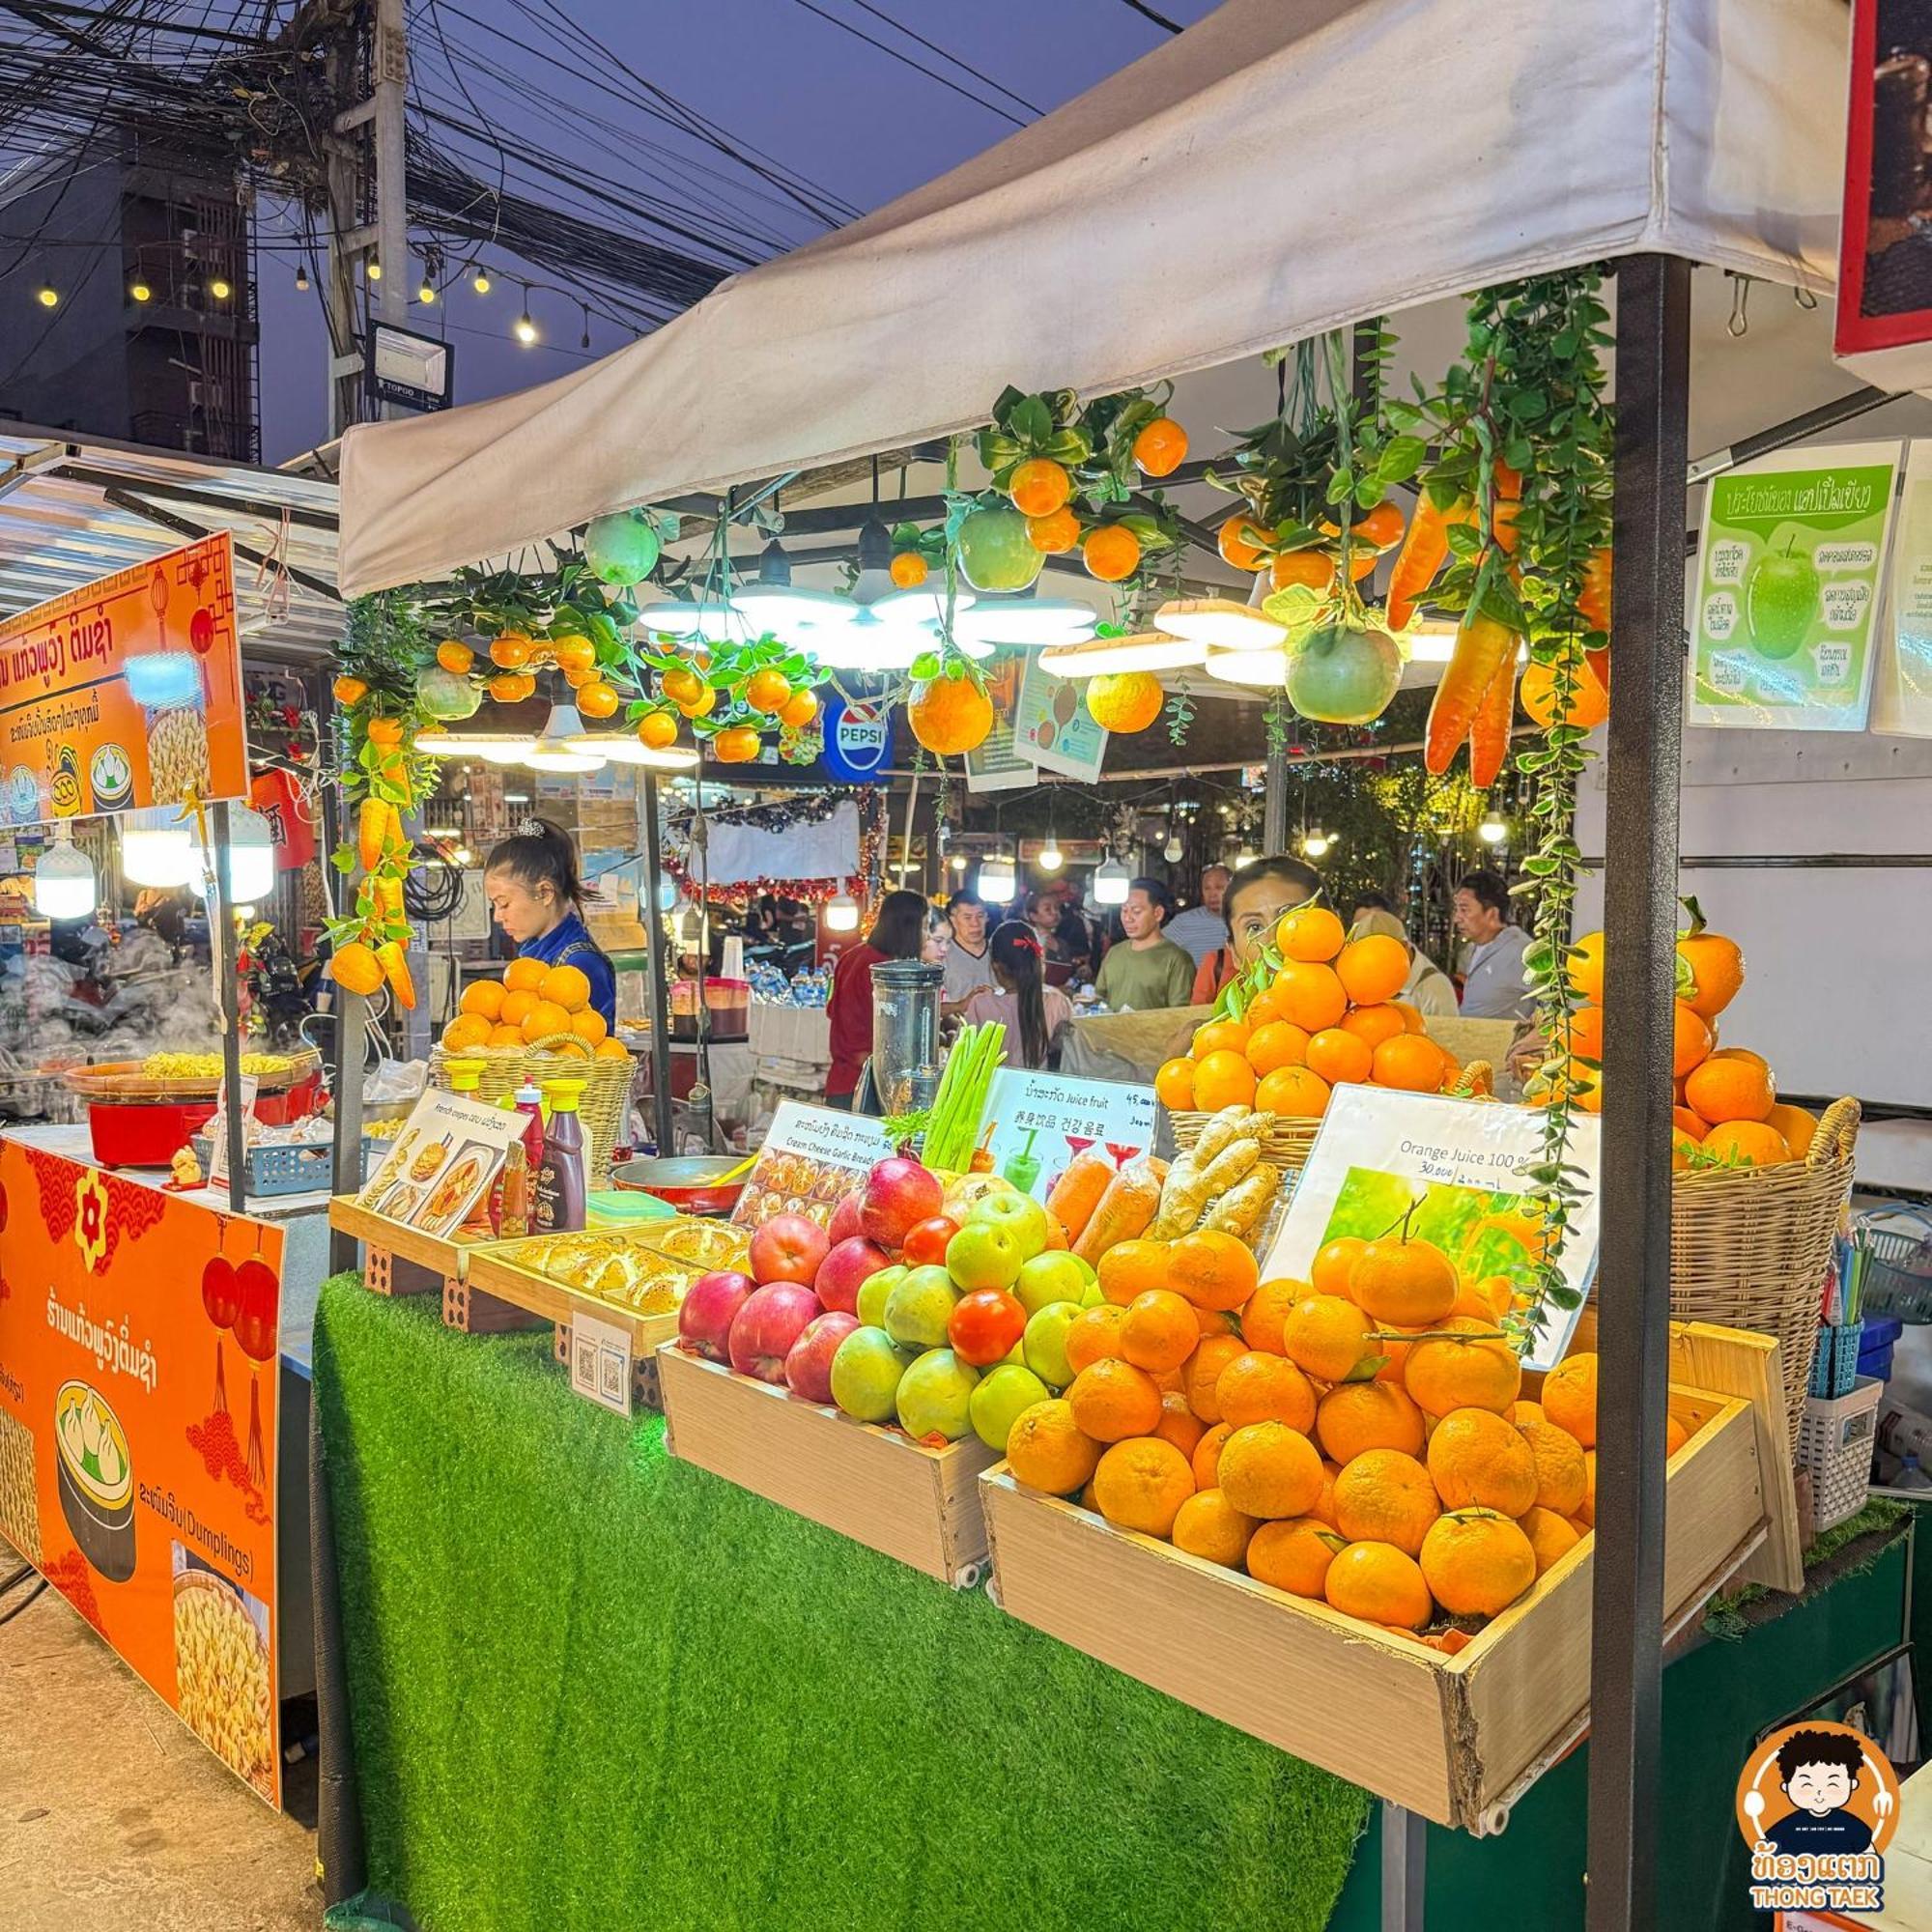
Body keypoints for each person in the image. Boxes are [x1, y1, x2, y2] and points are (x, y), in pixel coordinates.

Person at [484, 819, 616, 1028]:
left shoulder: (580, 964)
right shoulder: (532, 956)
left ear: (545, 893)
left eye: (504, 904)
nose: (498, 917)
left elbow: (589, 1050)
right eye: (494, 906)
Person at [825, 888, 925, 1108]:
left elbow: (831, 1010)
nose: (925, 936)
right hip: (868, 1087)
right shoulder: (884, 972)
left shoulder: (850, 957)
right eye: (924, 927)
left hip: (840, 1081)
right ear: (909, 928)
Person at [1189, 855, 1322, 1005]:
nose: (1273, 942)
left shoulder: (1352, 1017)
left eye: (1290, 920)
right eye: (1254, 927)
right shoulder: (1227, 1028)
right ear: (1234, 954)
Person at [962, 921, 1072, 1070]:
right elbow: (1068, 1057)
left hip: (993, 1092)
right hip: (1043, 1091)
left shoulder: (981, 1004)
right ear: (1038, 961)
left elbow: (963, 1060)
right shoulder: (1058, 1001)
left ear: (996, 966)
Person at [1762, 1731, 1875, 1856]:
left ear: (1852, 1784)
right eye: (1806, 1785)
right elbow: (1765, 1852)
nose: (1819, 1792)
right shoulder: (1786, 1826)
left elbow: (1870, 1857)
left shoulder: (1853, 1826)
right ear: (1786, 1786)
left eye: (1832, 1784)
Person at [1095, 878, 1197, 1011]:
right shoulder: (1114, 953)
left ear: (1158, 913)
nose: (1128, 918)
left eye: (1136, 911)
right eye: (1124, 910)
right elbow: (1099, 998)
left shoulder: (1177, 959)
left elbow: (1180, 1015)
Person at [1453, 868, 1534, 1020]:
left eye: (1464, 909)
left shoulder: (1522, 952)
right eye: (1456, 909)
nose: (1456, 918)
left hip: (1506, 1042)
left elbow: (1555, 1004)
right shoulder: (1471, 949)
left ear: (1492, 913)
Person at [1350, 907, 1459, 1017]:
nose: (1374, 965)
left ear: (1404, 948)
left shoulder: (1435, 987)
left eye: (1383, 957)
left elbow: (1447, 1033)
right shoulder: (1359, 978)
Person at [1164, 865, 1232, 967]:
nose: (1212, 894)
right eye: (1207, 888)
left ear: (1233, 888)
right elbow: (1155, 950)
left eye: (1219, 887)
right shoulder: (1184, 922)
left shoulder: (1248, 919)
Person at [942, 889, 995, 1005]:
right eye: (967, 917)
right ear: (953, 920)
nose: (975, 923)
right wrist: (960, 1006)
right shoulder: (942, 954)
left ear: (987, 918)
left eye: (980, 916)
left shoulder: (999, 951)